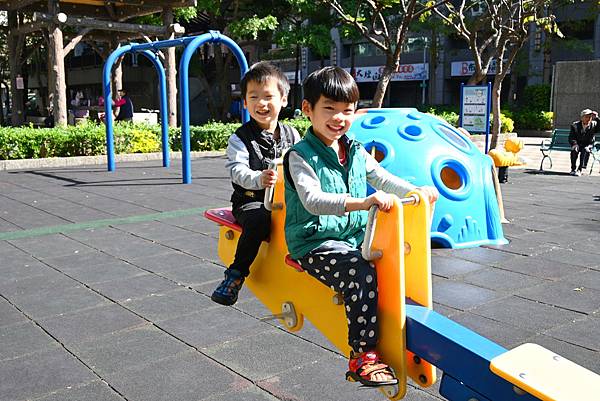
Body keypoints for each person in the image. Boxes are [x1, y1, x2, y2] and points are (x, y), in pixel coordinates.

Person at [283, 66, 438, 387]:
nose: (339, 118)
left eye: (347, 111)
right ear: (308, 109)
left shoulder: (353, 149)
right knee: (361, 270)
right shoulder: (299, 155)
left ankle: (394, 328)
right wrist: (362, 203)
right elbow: (312, 200)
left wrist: (414, 191)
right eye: (330, 109)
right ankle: (363, 355)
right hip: (314, 241)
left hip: (351, 236)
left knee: (389, 264)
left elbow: (381, 178)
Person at [211, 62, 301, 306]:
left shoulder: (293, 135)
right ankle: (236, 274)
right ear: (245, 103)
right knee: (260, 218)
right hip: (251, 201)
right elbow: (236, 170)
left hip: (284, 201)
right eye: (254, 97)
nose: (261, 103)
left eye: (268, 96)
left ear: (283, 99)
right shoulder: (240, 138)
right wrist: (258, 178)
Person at [569, 108, 599, 176]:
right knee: (574, 150)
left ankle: (580, 169)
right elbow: (571, 137)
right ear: (582, 117)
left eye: (590, 117)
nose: (589, 118)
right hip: (578, 143)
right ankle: (573, 169)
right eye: (587, 117)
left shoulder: (594, 124)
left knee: (585, 150)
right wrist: (575, 144)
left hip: (588, 144)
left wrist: (597, 118)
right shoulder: (575, 125)